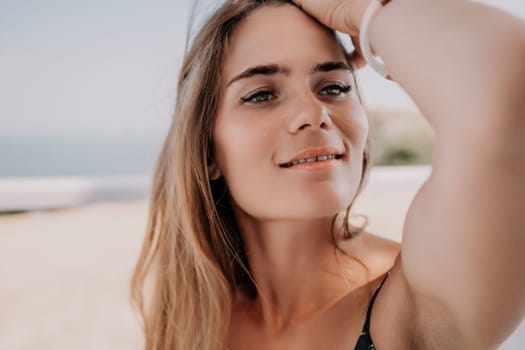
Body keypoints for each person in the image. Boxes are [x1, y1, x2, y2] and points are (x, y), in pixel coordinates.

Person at [131, 0, 525, 349]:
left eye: (334, 87)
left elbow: (507, 86)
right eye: (261, 94)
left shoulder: (416, 297)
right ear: (207, 151)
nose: (313, 114)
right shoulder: (193, 318)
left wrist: (363, 13)